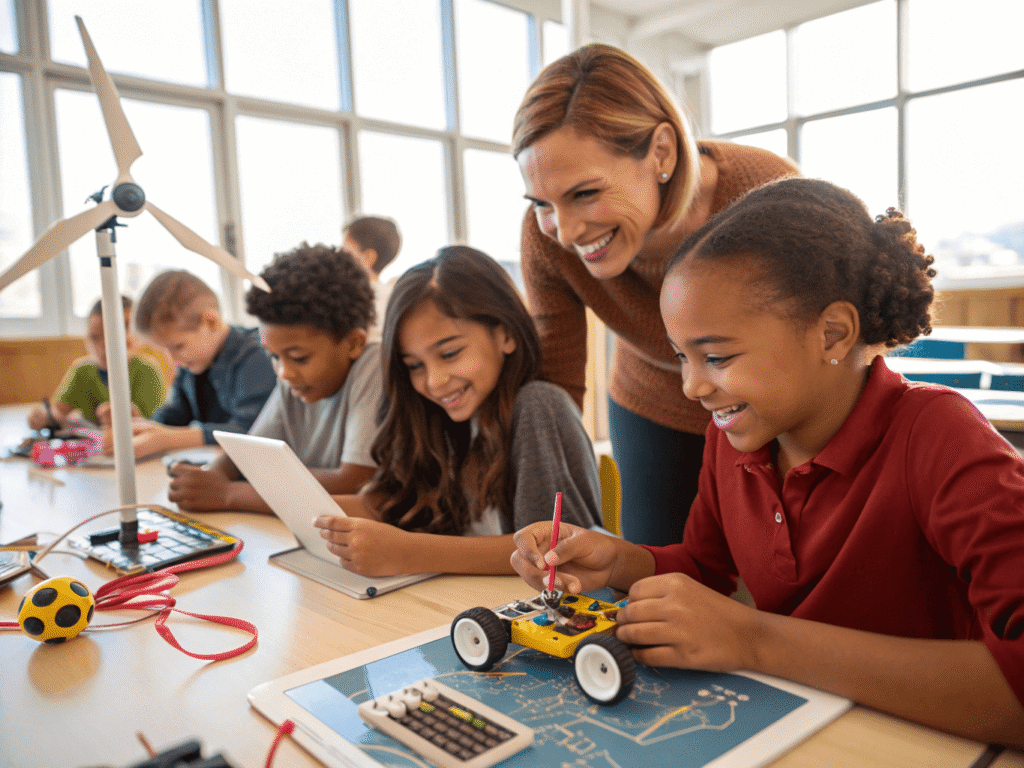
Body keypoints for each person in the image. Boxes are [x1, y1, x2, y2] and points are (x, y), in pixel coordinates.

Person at [510, 177, 1024, 746]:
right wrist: (620, 563)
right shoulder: (732, 440)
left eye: (717, 356)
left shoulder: (940, 437)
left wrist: (755, 639)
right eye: (683, 357)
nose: (691, 387)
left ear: (833, 333)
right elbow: (705, 568)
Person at [513, 43, 799, 546]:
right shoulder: (546, 237)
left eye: (585, 193)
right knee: (659, 568)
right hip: (654, 403)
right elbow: (554, 388)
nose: (565, 230)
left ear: (661, 153)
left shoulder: (769, 195)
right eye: (542, 202)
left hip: (779, 401)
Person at [314, 245, 601, 576]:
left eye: (449, 353)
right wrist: (301, 509)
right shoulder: (442, 419)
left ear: (505, 334)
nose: (434, 381)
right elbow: (390, 504)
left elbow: (554, 551)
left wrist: (407, 553)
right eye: (415, 365)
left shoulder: (539, 407)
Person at [167, 243, 382, 513]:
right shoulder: (294, 380)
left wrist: (229, 493)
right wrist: (211, 475)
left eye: (299, 357)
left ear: (353, 343)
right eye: (274, 356)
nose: (284, 372)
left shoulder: (374, 365)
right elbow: (248, 454)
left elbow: (351, 481)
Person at [126, 269, 277, 459]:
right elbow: (176, 416)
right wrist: (142, 427)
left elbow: (250, 429)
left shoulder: (257, 354)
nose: (172, 360)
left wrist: (169, 439)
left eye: (178, 346)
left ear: (211, 322)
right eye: (164, 350)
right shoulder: (190, 363)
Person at [27, 295, 165, 431]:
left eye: (112, 336)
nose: (103, 347)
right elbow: (59, 410)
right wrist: (44, 416)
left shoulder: (147, 369)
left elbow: (155, 424)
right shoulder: (82, 370)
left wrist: (129, 416)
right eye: (94, 337)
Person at [342, 215, 402, 342]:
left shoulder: (353, 298)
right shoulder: (392, 295)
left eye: (345, 252)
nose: (339, 259)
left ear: (368, 258)